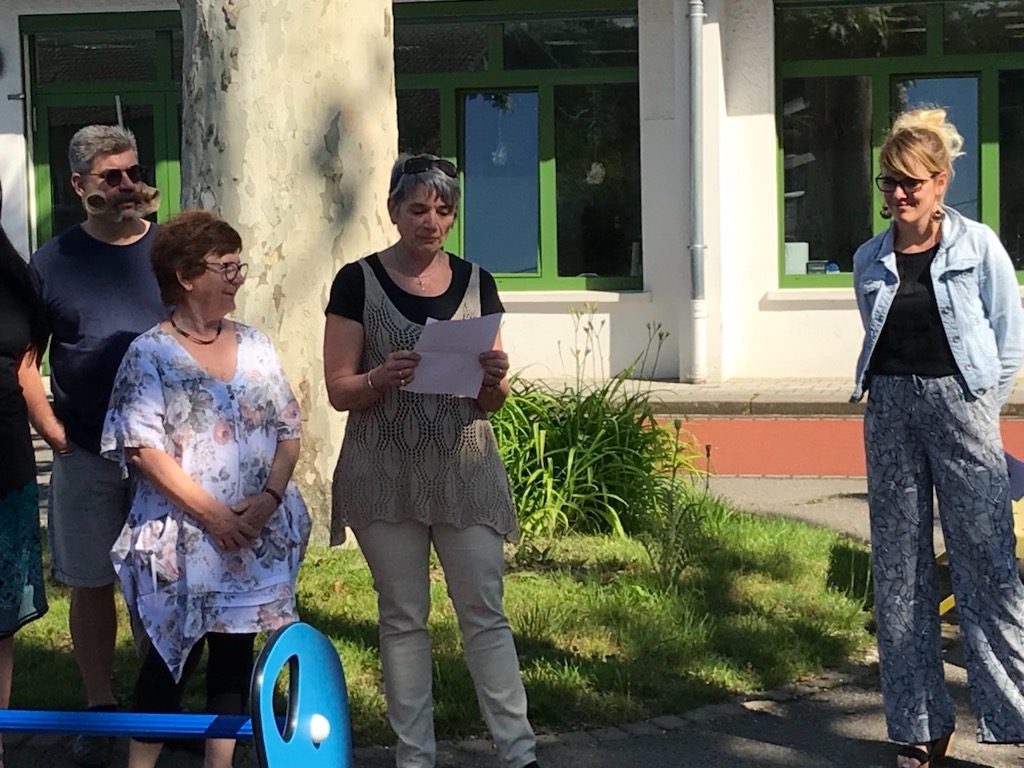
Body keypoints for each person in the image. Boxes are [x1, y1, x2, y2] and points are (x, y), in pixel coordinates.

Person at [323, 153, 540, 768]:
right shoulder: (356, 281)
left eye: (443, 210)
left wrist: (494, 377)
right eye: (418, 208)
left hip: (464, 468)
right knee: (402, 617)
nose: (432, 221)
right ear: (392, 210)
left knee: (485, 612)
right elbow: (340, 390)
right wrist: (379, 377)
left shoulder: (478, 280)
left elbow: (491, 401)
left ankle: (518, 751)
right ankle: (414, 756)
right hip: (383, 469)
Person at [101, 209, 311, 768]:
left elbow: (290, 430)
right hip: (186, 542)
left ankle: (223, 765)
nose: (238, 276)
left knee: (236, 660)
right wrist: (216, 517)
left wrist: (267, 501)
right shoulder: (149, 353)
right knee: (169, 663)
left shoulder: (257, 344)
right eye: (227, 266)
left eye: (240, 265)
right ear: (188, 275)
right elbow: (142, 449)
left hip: (256, 537)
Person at [851, 108, 1024, 768]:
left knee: (988, 569)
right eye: (888, 182)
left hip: (964, 410)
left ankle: (1011, 721)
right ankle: (920, 727)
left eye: (911, 183)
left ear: (942, 181)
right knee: (900, 574)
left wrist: (979, 408)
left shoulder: (978, 247)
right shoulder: (870, 257)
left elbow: (1009, 341)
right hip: (889, 413)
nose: (898, 195)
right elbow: (876, 331)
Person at [25, 124, 165, 767]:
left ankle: (155, 708)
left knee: (157, 578)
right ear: (80, 186)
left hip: (166, 453)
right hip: (85, 448)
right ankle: (99, 707)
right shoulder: (52, 263)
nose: (127, 186)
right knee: (91, 583)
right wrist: (54, 435)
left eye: (132, 172)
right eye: (110, 177)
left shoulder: (170, 250)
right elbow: (25, 359)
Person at [0, 199, 50, 768]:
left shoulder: (12, 276)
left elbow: (26, 367)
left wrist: (55, 432)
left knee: (0, 622)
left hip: (6, 469)